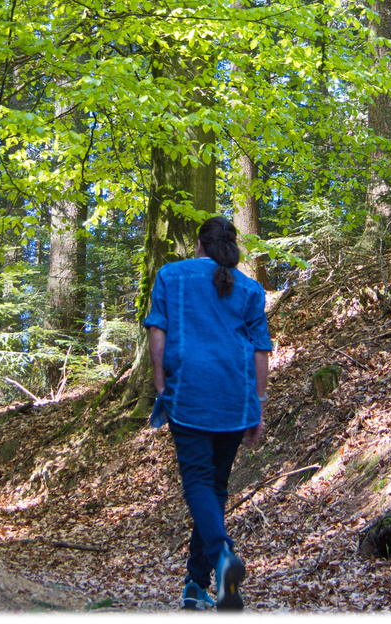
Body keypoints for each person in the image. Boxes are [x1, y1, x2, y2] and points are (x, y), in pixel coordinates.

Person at [144, 216, 271, 611]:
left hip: (191, 394)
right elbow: (260, 351)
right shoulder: (250, 289)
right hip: (235, 398)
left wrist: (160, 381)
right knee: (215, 487)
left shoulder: (171, 276)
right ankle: (197, 585)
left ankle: (222, 557)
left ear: (199, 245)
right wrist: (257, 406)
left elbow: (157, 332)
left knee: (198, 483)